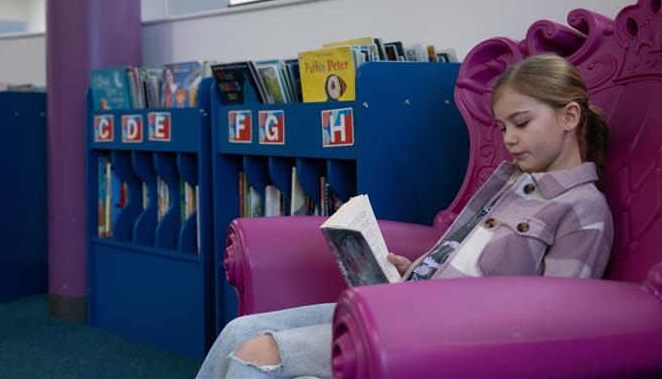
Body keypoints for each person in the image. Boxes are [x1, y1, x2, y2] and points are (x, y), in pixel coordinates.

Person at [197, 53, 613, 379]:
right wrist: (416, 270)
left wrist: (441, 306)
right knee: (238, 332)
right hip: (407, 305)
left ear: (569, 116)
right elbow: (468, 261)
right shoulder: (513, 181)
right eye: (503, 128)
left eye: (520, 123)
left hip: (442, 337)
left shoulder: (583, 211)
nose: (510, 140)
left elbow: (559, 323)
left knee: (257, 356)